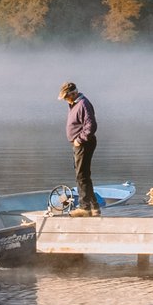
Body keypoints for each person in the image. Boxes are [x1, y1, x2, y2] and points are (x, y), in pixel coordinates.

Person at [60, 81, 99, 213]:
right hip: (80, 143)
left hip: (84, 143)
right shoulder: (74, 104)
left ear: (73, 93)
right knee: (84, 175)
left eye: (66, 97)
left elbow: (91, 125)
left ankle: (84, 207)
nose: (65, 100)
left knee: (81, 175)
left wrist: (79, 139)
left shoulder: (83, 104)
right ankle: (94, 207)